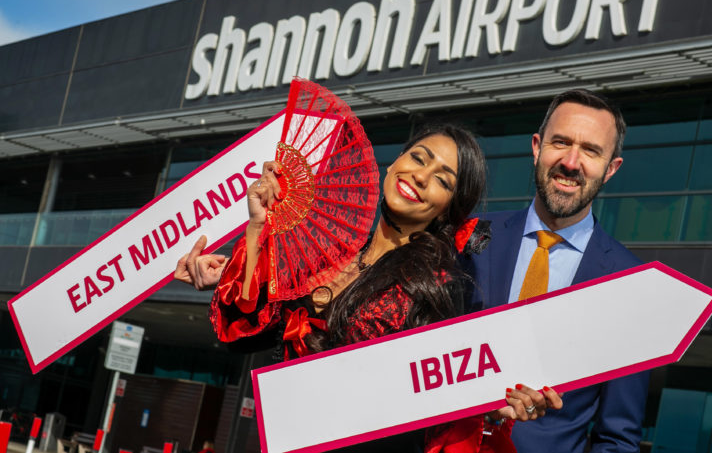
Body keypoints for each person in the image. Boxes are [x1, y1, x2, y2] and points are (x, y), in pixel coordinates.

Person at [176, 123, 562, 452]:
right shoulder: (325, 249)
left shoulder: (440, 287)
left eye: (443, 180)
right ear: (394, 162)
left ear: (447, 208)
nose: (421, 176)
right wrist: (259, 229)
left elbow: (441, 393)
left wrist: (494, 403)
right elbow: (242, 332)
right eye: (418, 158)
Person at [464, 89, 649, 453]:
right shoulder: (469, 237)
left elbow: (618, 438)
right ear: (537, 147)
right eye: (560, 142)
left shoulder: (630, 285)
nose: (571, 161)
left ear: (611, 168)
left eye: (591, 151)